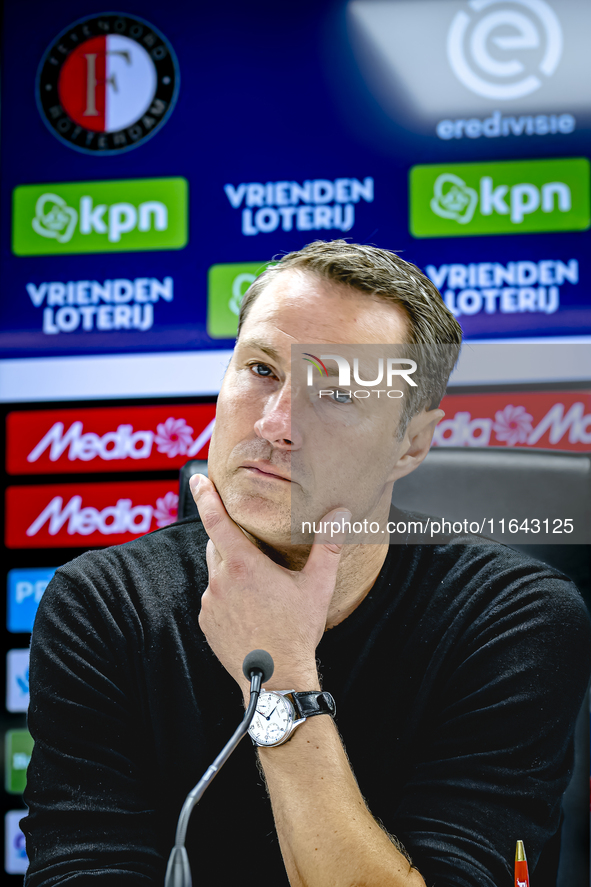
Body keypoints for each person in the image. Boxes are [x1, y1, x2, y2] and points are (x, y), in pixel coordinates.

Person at [22, 240, 591, 887]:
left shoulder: (514, 619)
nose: (277, 422)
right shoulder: (103, 604)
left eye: (338, 395)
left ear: (410, 443)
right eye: (261, 369)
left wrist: (284, 677)